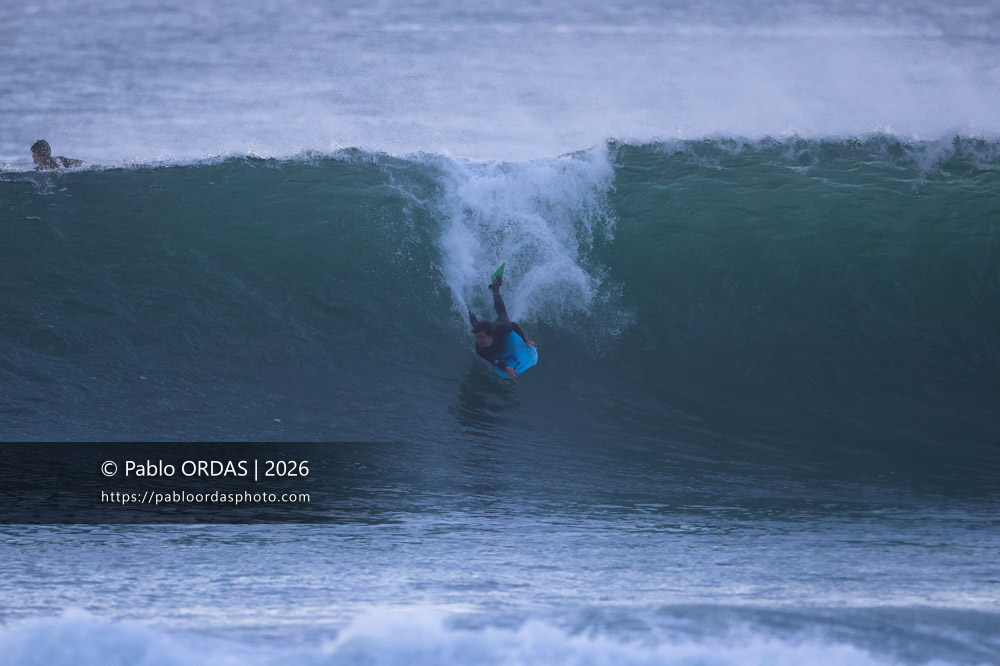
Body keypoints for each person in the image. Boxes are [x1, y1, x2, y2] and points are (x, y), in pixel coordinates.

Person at [468, 273, 536, 379]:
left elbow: (514, 325)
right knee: (475, 325)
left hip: (499, 326)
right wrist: (505, 368)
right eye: (477, 338)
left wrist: (525, 340)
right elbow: (494, 361)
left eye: (482, 338)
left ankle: (495, 290)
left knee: (503, 315)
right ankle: (467, 308)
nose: (479, 341)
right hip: (491, 332)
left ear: (490, 335)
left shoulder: (500, 330)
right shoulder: (479, 349)